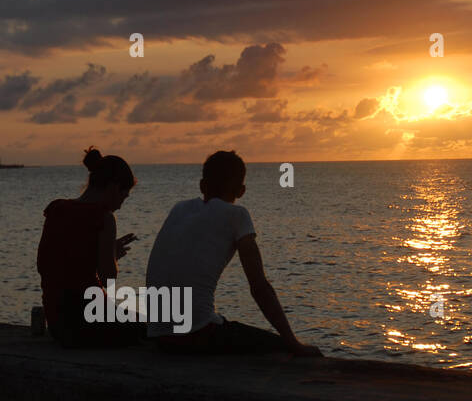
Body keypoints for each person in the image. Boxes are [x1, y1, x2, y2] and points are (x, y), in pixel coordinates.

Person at [144, 150, 322, 356]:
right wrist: (294, 343)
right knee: (284, 351)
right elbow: (259, 287)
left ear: (202, 185)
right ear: (241, 191)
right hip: (197, 334)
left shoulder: (179, 209)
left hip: (159, 336)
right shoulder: (237, 215)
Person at [35, 146, 145, 348]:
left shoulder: (56, 210)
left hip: (58, 325)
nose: (121, 205)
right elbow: (107, 279)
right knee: (153, 328)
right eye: (123, 196)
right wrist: (111, 255)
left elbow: (54, 264)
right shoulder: (103, 218)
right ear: (113, 187)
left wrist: (104, 252)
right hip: (88, 325)